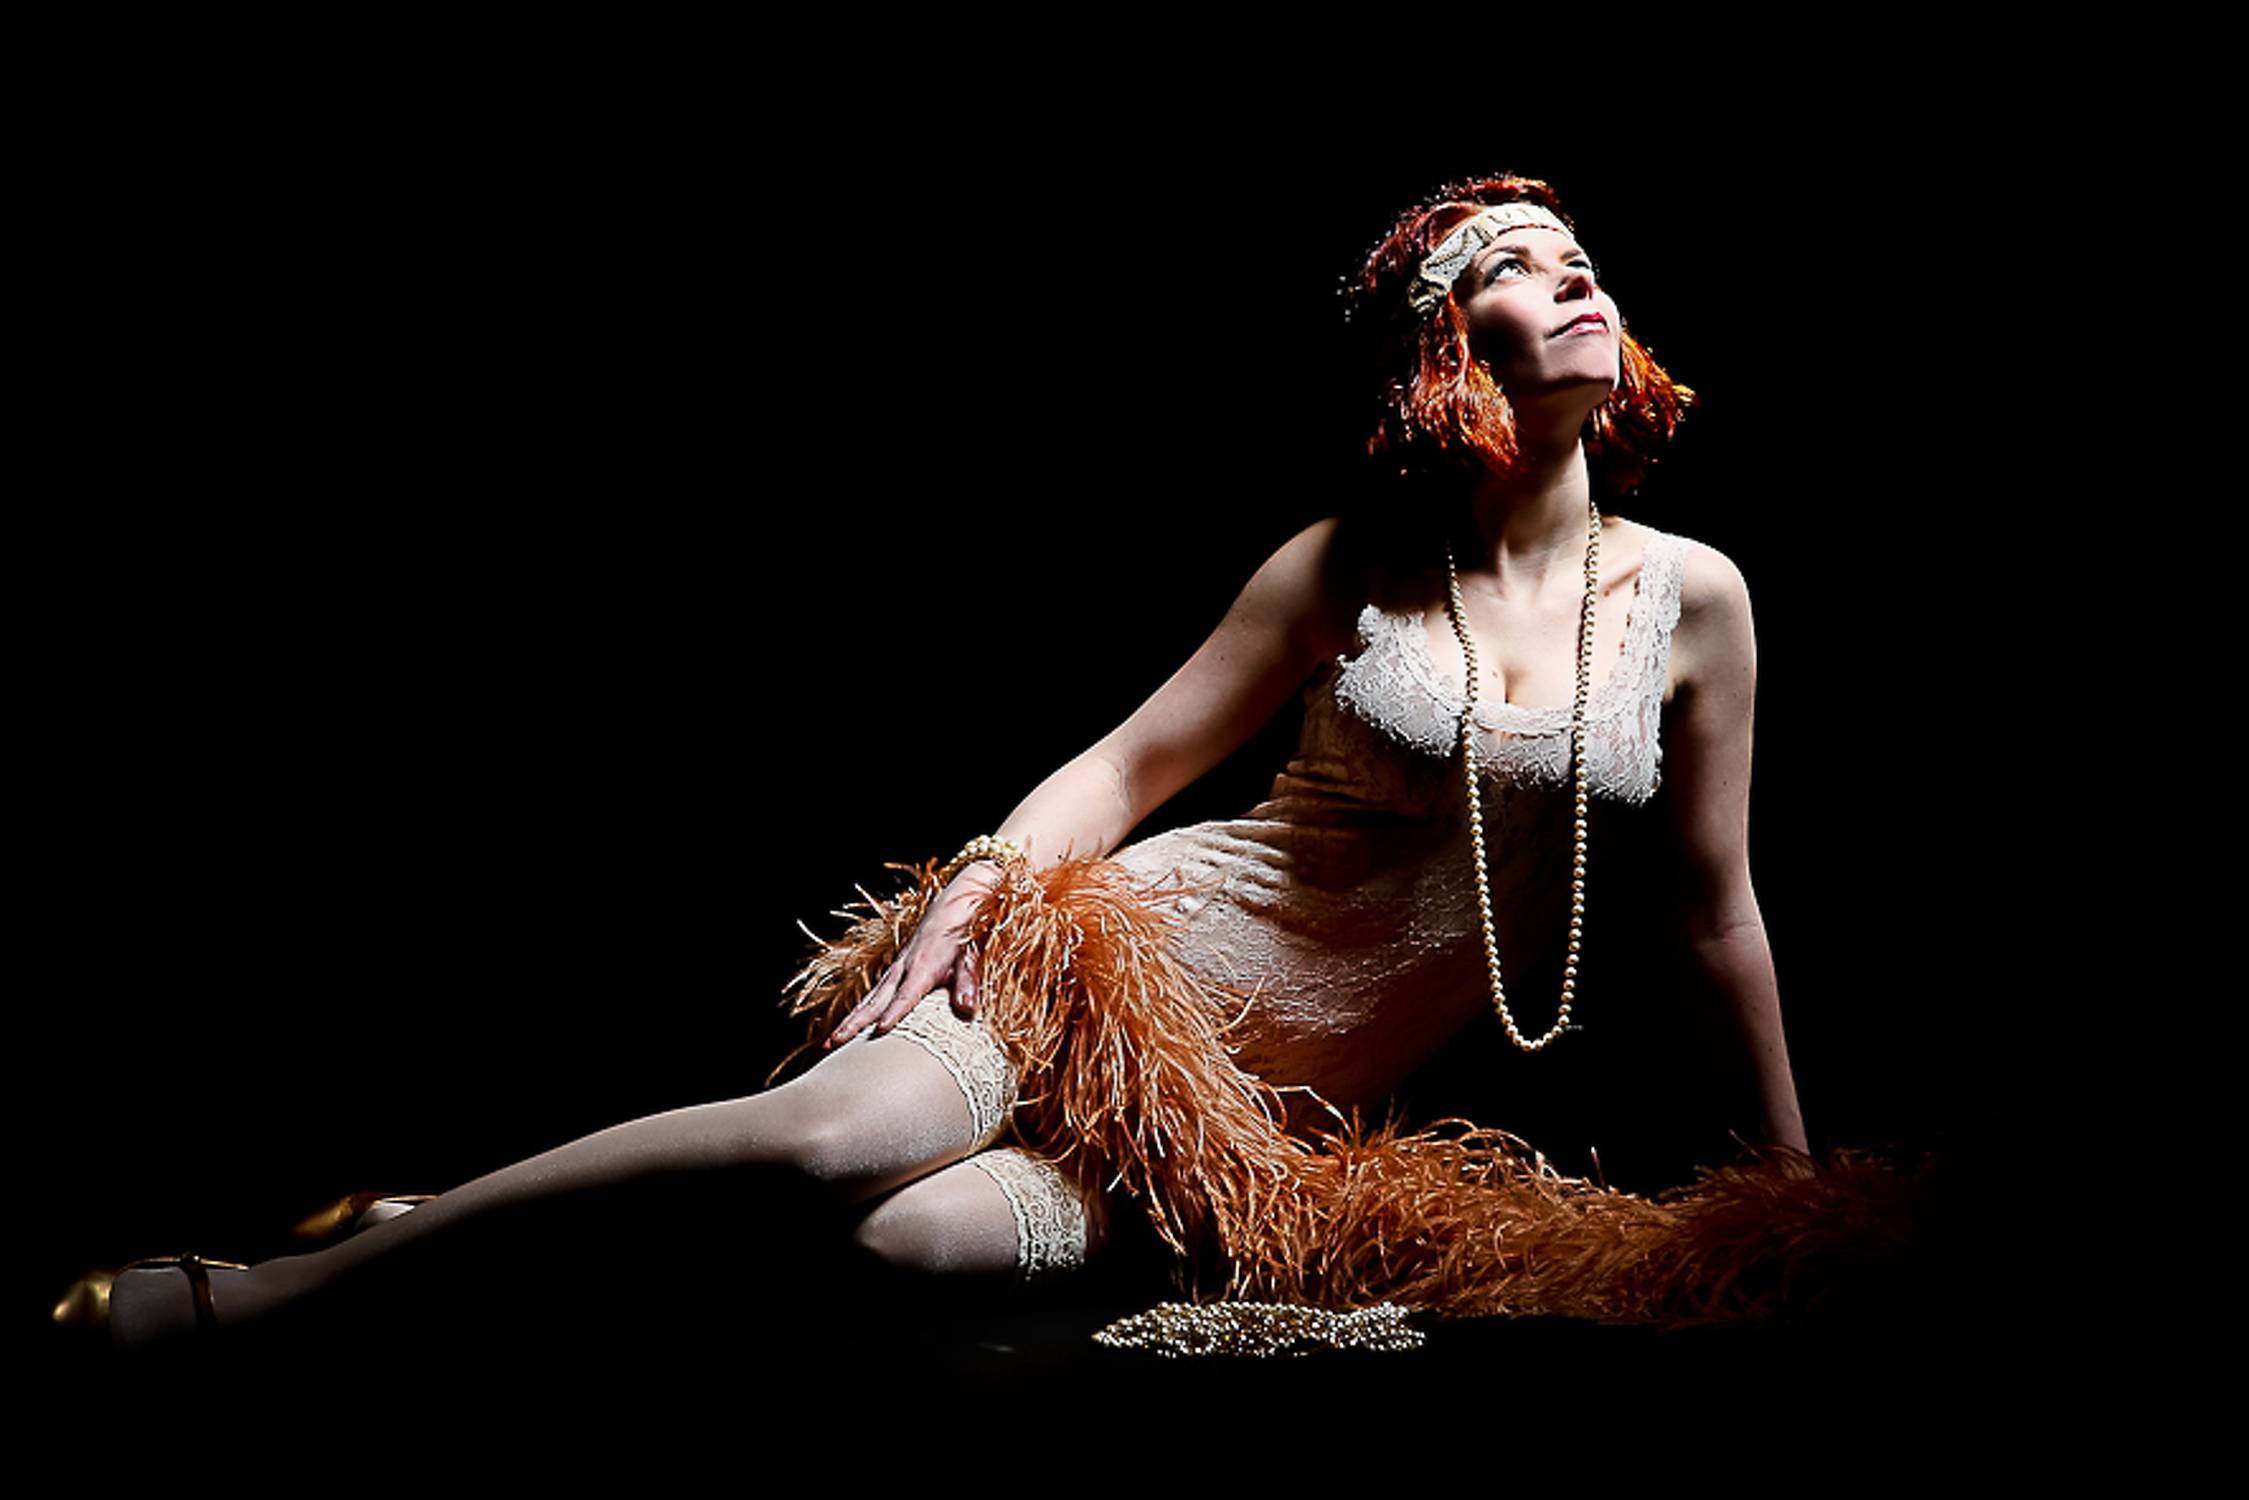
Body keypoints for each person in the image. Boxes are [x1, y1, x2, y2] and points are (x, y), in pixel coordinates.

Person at [60, 175, 1869, 1352]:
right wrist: (990, 886)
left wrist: (1786, 1195)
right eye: (1513, 270)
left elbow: (1715, 915)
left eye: (1578, 259)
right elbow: (1128, 763)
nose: (1569, 279)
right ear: (1443, 349)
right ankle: (282, 1295)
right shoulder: (1346, 563)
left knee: (897, 1254)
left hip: (1253, 1124)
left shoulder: (1693, 600)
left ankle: (455, 1236)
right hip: (1135, 969)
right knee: (827, 1144)